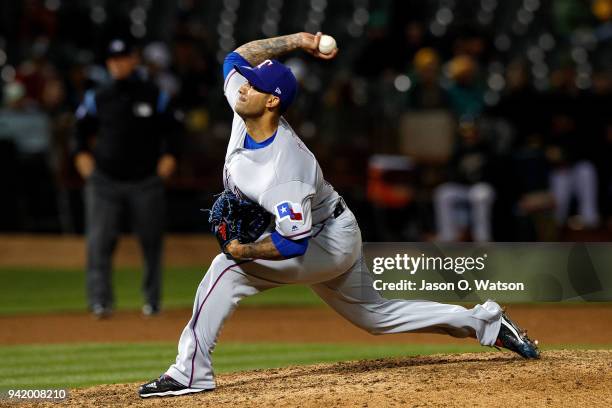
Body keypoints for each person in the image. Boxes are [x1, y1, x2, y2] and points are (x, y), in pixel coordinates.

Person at [138, 32, 539, 398]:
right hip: (334, 226)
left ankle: (191, 372)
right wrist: (298, 40)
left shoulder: (284, 169)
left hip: (323, 241)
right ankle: (485, 323)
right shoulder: (245, 102)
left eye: (252, 85)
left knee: (226, 270)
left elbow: (291, 243)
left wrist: (243, 250)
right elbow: (236, 56)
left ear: (272, 100)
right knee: (376, 315)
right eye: (244, 81)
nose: (241, 86)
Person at [74, 39, 179, 318]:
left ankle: (152, 301)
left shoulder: (154, 94)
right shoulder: (97, 96)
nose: (118, 64)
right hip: (105, 181)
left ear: (134, 60)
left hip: (145, 180)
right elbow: (79, 135)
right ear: (108, 63)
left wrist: (168, 159)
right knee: (99, 242)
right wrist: (84, 162)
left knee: (151, 241)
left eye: (123, 58)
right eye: (113, 59)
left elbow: (173, 132)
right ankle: (100, 301)